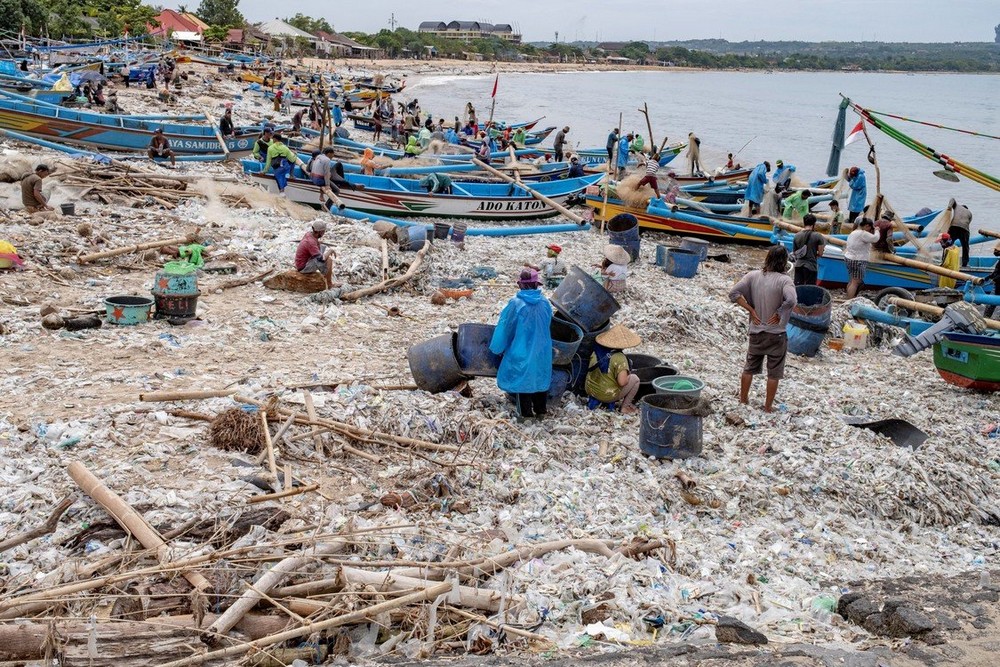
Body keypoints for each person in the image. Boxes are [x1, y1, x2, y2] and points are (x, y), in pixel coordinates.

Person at [728, 245, 797, 413]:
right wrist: (779, 311)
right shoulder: (785, 280)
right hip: (776, 334)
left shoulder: (752, 276)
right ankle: (767, 407)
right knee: (774, 373)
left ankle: (743, 400)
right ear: (784, 262)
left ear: (767, 258)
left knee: (749, 367)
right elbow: (792, 300)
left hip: (756, 331)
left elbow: (733, 294)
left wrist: (751, 310)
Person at [488, 268, 553, 422]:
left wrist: (497, 347)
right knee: (539, 377)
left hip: (521, 349)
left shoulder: (516, 303)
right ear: (537, 284)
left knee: (523, 380)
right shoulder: (545, 303)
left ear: (520, 285)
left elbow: (505, 327)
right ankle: (541, 411)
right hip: (542, 349)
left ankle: (526, 415)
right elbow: (548, 323)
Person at [585, 324, 642, 415]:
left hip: (590, 390)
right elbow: (622, 382)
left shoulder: (596, 351)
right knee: (635, 379)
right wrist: (628, 375)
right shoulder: (619, 358)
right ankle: (625, 407)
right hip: (606, 394)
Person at [295, 220, 336, 289]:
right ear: (320, 232)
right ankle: (329, 284)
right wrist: (330, 251)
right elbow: (321, 259)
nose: (324, 233)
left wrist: (318, 243)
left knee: (321, 247)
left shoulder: (309, 234)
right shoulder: (311, 242)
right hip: (303, 267)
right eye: (323, 231)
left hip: (304, 261)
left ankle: (324, 276)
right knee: (329, 260)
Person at [844, 218, 878, 298]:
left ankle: (848, 297)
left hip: (849, 257)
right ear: (867, 226)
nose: (870, 230)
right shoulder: (862, 233)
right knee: (856, 282)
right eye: (870, 228)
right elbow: (875, 239)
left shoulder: (853, 232)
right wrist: (877, 231)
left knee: (852, 280)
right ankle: (850, 300)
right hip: (857, 260)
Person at [791, 214, 825, 286]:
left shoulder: (797, 235)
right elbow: (821, 253)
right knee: (810, 289)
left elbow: (794, 252)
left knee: (798, 288)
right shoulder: (818, 236)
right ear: (814, 224)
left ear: (804, 223)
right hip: (811, 266)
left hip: (798, 265)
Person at [946, 198, 972, 267]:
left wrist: (949, 207)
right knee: (965, 247)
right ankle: (965, 264)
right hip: (964, 229)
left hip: (954, 227)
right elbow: (968, 224)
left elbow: (952, 199)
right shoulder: (970, 213)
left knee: (948, 243)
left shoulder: (957, 206)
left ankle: (945, 261)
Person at [983, 243, 1000, 318]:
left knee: (990, 304)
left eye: (996, 250)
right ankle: (986, 319)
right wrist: (987, 277)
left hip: (998, 285)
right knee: (989, 305)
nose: (995, 252)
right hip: (997, 286)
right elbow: (996, 272)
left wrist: (994, 279)